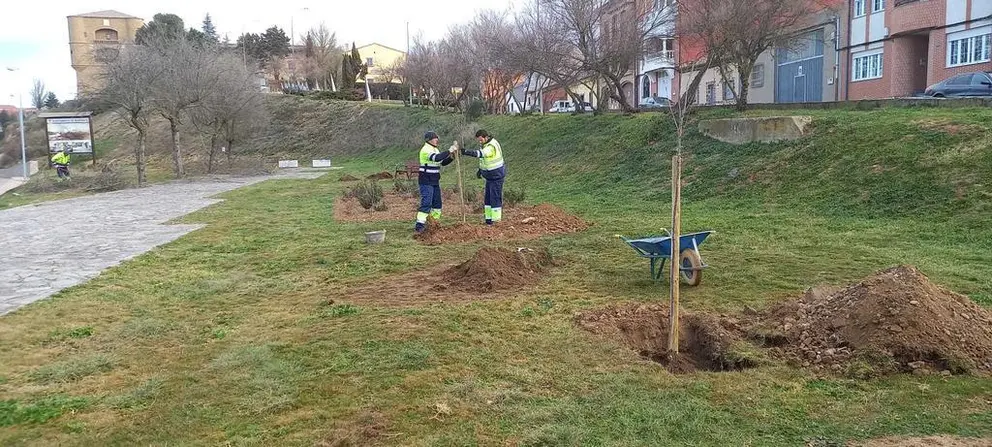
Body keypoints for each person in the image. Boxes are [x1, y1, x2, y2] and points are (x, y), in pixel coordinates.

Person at [460, 129, 505, 225]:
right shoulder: (485, 144)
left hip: (496, 175)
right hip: (489, 176)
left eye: (481, 140)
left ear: (486, 137)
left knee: (495, 198)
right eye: (479, 140)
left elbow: (481, 154)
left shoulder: (491, 146)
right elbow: (484, 160)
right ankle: (488, 220)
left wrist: (466, 152)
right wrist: (481, 170)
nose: (480, 142)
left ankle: (496, 221)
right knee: (488, 199)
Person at [415, 130, 455, 233]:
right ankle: (420, 225)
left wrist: (452, 157)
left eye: (437, 138)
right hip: (426, 180)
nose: (437, 140)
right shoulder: (425, 150)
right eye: (435, 138)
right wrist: (449, 151)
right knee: (426, 203)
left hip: (434, 180)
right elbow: (436, 158)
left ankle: (433, 223)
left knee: (437, 204)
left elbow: (443, 162)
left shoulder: (435, 149)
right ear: (429, 140)